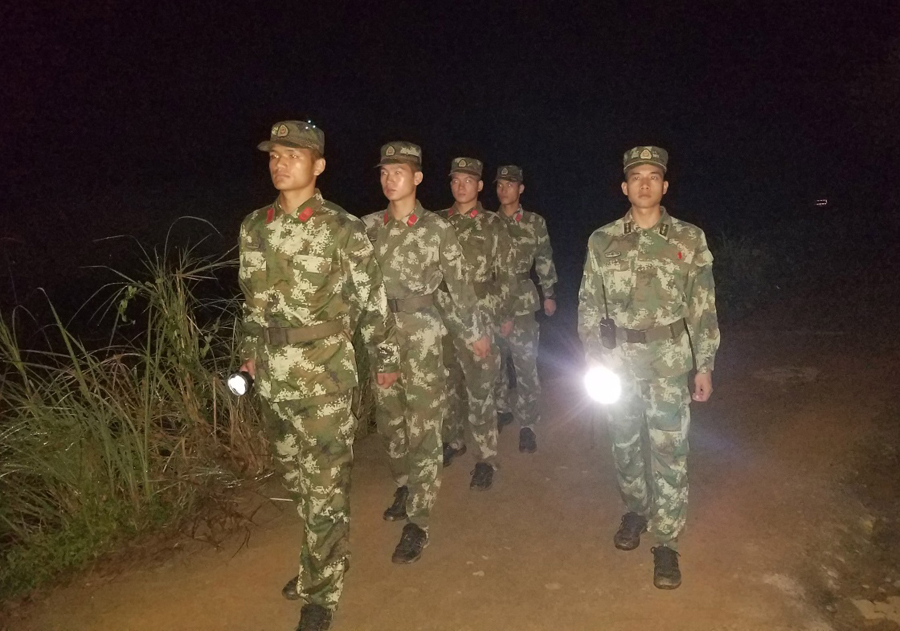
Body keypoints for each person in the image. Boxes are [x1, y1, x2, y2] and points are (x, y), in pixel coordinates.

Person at [238, 121, 400, 631]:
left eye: (293, 155)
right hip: (274, 378)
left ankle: (321, 592)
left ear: (319, 165)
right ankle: (322, 559)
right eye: (274, 155)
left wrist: (387, 361)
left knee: (326, 486)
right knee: (298, 482)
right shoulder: (254, 226)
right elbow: (250, 305)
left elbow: (373, 302)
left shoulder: (342, 227)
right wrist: (248, 356)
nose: (280, 163)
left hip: (326, 376)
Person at [577, 146, 719, 590]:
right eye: (636, 177)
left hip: (669, 361)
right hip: (617, 362)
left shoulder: (688, 239)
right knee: (623, 444)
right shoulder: (602, 241)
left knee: (669, 451)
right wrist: (593, 357)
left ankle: (667, 541)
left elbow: (703, 307)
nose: (644, 183)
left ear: (665, 185)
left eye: (653, 176)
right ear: (624, 187)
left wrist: (704, 364)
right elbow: (588, 305)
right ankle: (636, 510)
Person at [361, 142, 489, 563]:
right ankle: (404, 484)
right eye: (384, 172)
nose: (389, 179)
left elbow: (459, 286)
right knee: (390, 423)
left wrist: (473, 332)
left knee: (424, 426)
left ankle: (418, 520)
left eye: (398, 172)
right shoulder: (368, 228)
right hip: (381, 336)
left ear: (416, 177)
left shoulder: (436, 228)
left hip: (423, 337)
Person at [436, 157, 514, 489]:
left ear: (480, 186)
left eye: (468, 180)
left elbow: (506, 276)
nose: (461, 186)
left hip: (480, 319)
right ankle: (453, 441)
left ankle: (486, 458)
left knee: (481, 390)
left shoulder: (493, 225)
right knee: (447, 386)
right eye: (455, 180)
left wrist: (499, 316)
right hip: (441, 317)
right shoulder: (438, 222)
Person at [493, 165, 558, 453]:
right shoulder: (487, 222)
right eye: (500, 185)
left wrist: (549, 293)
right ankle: (501, 409)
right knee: (495, 363)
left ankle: (528, 424)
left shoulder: (534, 222)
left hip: (522, 302)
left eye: (510, 184)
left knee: (525, 364)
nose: (503, 189)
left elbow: (544, 257)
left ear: (520, 188)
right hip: (492, 301)